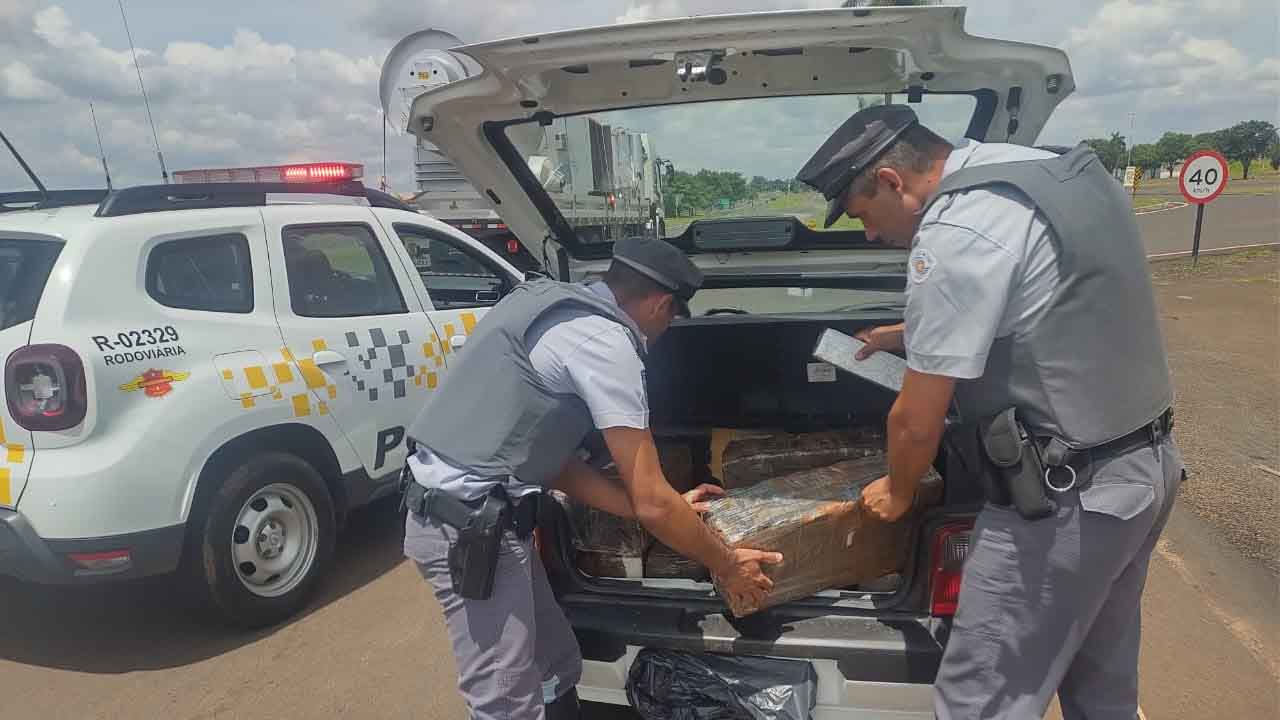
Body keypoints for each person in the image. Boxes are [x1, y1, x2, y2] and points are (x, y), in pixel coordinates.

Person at [796, 105, 1184, 719]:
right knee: (1100, 679)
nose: (869, 234)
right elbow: (1050, 293)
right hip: (1144, 468)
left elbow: (914, 421)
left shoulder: (957, 230)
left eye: (864, 214)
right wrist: (911, 330)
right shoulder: (1048, 170)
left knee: (981, 699)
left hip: (1065, 496)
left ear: (893, 181)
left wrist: (896, 492)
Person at [401, 236, 783, 720]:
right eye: (670, 320)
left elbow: (550, 459)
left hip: (485, 520)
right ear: (662, 304)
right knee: (504, 697)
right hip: (470, 531)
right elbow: (652, 502)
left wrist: (661, 506)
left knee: (555, 662)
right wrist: (726, 564)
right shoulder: (603, 342)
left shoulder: (546, 304)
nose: (663, 332)